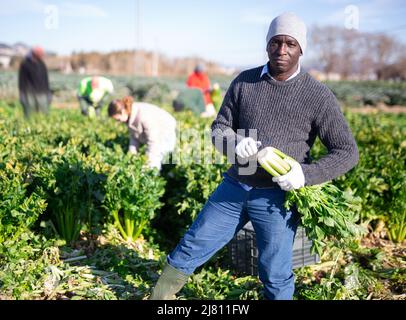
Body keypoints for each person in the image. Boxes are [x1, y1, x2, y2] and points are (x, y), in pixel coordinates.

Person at [149, 12, 359, 300]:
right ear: (267, 44)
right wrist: (234, 143)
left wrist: (304, 175)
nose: (281, 50)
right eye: (275, 42)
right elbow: (218, 128)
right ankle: (161, 299)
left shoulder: (317, 95)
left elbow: (347, 152)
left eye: (290, 44)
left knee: (274, 272)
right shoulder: (245, 82)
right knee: (191, 246)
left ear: (301, 49)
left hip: (277, 198)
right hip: (235, 187)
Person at [108, 96, 177, 170]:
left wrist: (148, 163)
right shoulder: (129, 116)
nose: (118, 121)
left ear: (123, 112)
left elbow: (153, 142)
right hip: (157, 133)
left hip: (165, 130)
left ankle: (156, 175)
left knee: (156, 158)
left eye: (118, 119)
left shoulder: (143, 116)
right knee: (152, 158)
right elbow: (134, 137)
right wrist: (131, 155)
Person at [18, 46, 52, 118]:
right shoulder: (25, 64)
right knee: (29, 115)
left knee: (44, 114)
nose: (42, 55)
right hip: (29, 94)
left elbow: (45, 79)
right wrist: (22, 94)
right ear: (35, 53)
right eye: (41, 53)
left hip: (42, 93)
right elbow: (22, 80)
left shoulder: (42, 64)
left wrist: (48, 93)